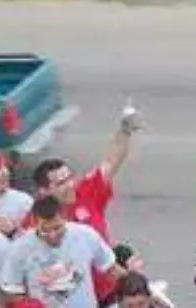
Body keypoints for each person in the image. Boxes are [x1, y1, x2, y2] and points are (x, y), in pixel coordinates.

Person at [1, 194, 118, 308]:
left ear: (64, 216)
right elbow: (13, 293)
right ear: (34, 222)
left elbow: (111, 269)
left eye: (57, 228)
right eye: (45, 230)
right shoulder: (20, 249)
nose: (52, 235)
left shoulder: (86, 235)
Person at [28, 103, 141, 246]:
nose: (70, 185)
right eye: (61, 183)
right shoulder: (35, 219)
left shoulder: (85, 192)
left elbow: (110, 162)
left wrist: (125, 130)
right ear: (43, 191)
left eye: (70, 178)